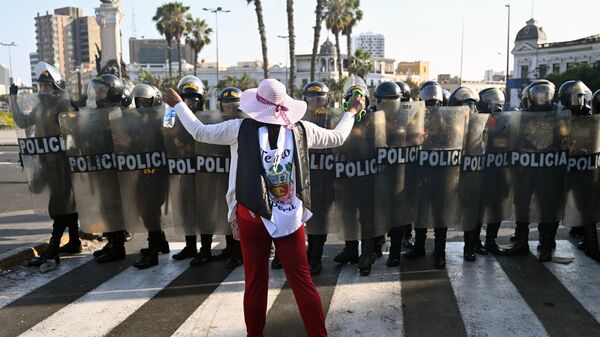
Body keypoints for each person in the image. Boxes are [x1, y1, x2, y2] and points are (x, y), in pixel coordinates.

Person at [166, 79, 363, 337]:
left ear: (257, 105)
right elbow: (337, 137)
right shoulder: (302, 129)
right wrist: (350, 112)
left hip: (250, 213)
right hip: (288, 216)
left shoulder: (239, 129)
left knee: (256, 283)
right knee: (302, 282)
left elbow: (199, 132)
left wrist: (179, 105)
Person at [9, 62, 79, 268]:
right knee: (65, 205)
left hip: (62, 165)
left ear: (56, 87)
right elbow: (22, 122)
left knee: (59, 206)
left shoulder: (65, 107)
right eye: (41, 86)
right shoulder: (40, 108)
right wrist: (13, 98)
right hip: (46, 164)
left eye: (47, 86)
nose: (43, 89)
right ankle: (74, 241)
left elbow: (74, 135)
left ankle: (53, 248)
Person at [477, 87, 508, 255]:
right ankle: (475, 241)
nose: (496, 107)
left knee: (497, 207)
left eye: (498, 104)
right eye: (492, 103)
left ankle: (491, 241)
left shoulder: (504, 122)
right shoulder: (478, 122)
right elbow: (478, 143)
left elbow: (507, 144)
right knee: (478, 209)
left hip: (498, 171)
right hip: (482, 171)